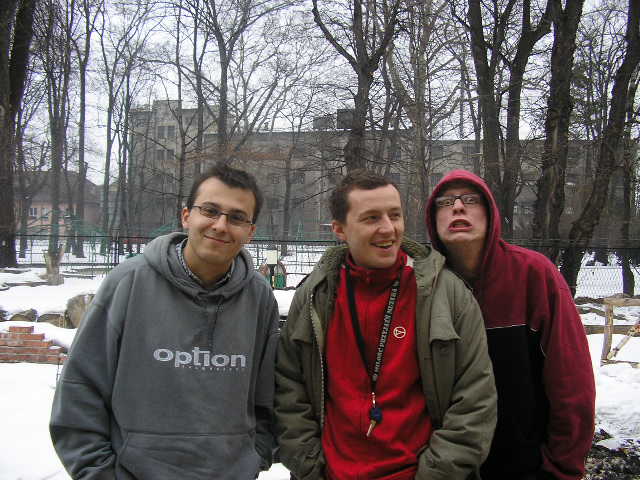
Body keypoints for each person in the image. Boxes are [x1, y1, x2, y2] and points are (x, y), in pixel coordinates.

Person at [50, 164, 279, 479]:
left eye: (237, 217)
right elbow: (80, 390)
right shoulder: (128, 283)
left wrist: (254, 458)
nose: (221, 225)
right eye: (210, 211)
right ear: (186, 216)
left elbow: (269, 398)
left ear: (250, 231)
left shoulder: (259, 298)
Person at [275, 169, 497, 480]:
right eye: (371, 218)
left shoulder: (446, 294)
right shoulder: (315, 295)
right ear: (340, 229)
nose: (388, 229)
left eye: (395, 215)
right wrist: (310, 466)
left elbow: (474, 400)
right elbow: (289, 389)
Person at [425, 170, 596, 480]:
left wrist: (561, 469)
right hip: (445, 468)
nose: (458, 207)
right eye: (445, 202)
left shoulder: (533, 275)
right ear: (432, 219)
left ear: (490, 213)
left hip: (524, 466)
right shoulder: (425, 287)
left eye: (470, 200)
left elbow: (571, 380)